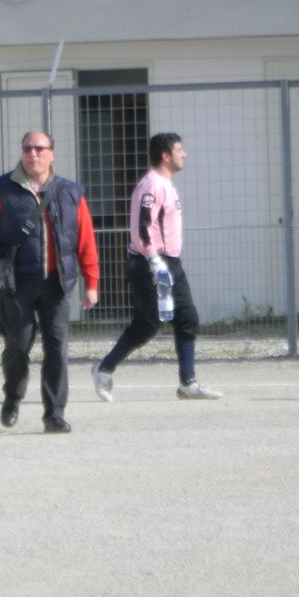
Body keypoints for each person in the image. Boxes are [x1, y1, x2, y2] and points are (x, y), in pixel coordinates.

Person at [0, 130, 99, 434]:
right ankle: (13, 398)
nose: (33, 154)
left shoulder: (70, 192)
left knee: (57, 349)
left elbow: (85, 240)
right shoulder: (2, 188)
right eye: (27, 148)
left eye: (39, 149)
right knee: (17, 346)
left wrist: (91, 282)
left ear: (51, 154)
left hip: (57, 283)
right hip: (17, 284)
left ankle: (54, 414)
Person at [91, 132, 221, 402]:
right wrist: (154, 261)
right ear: (165, 156)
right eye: (179, 150)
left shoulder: (166, 184)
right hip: (151, 264)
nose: (184, 154)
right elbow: (142, 227)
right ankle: (104, 369)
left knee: (187, 318)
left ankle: (188, 383)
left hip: (171, 263)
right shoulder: (152, 185)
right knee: (148, 323)